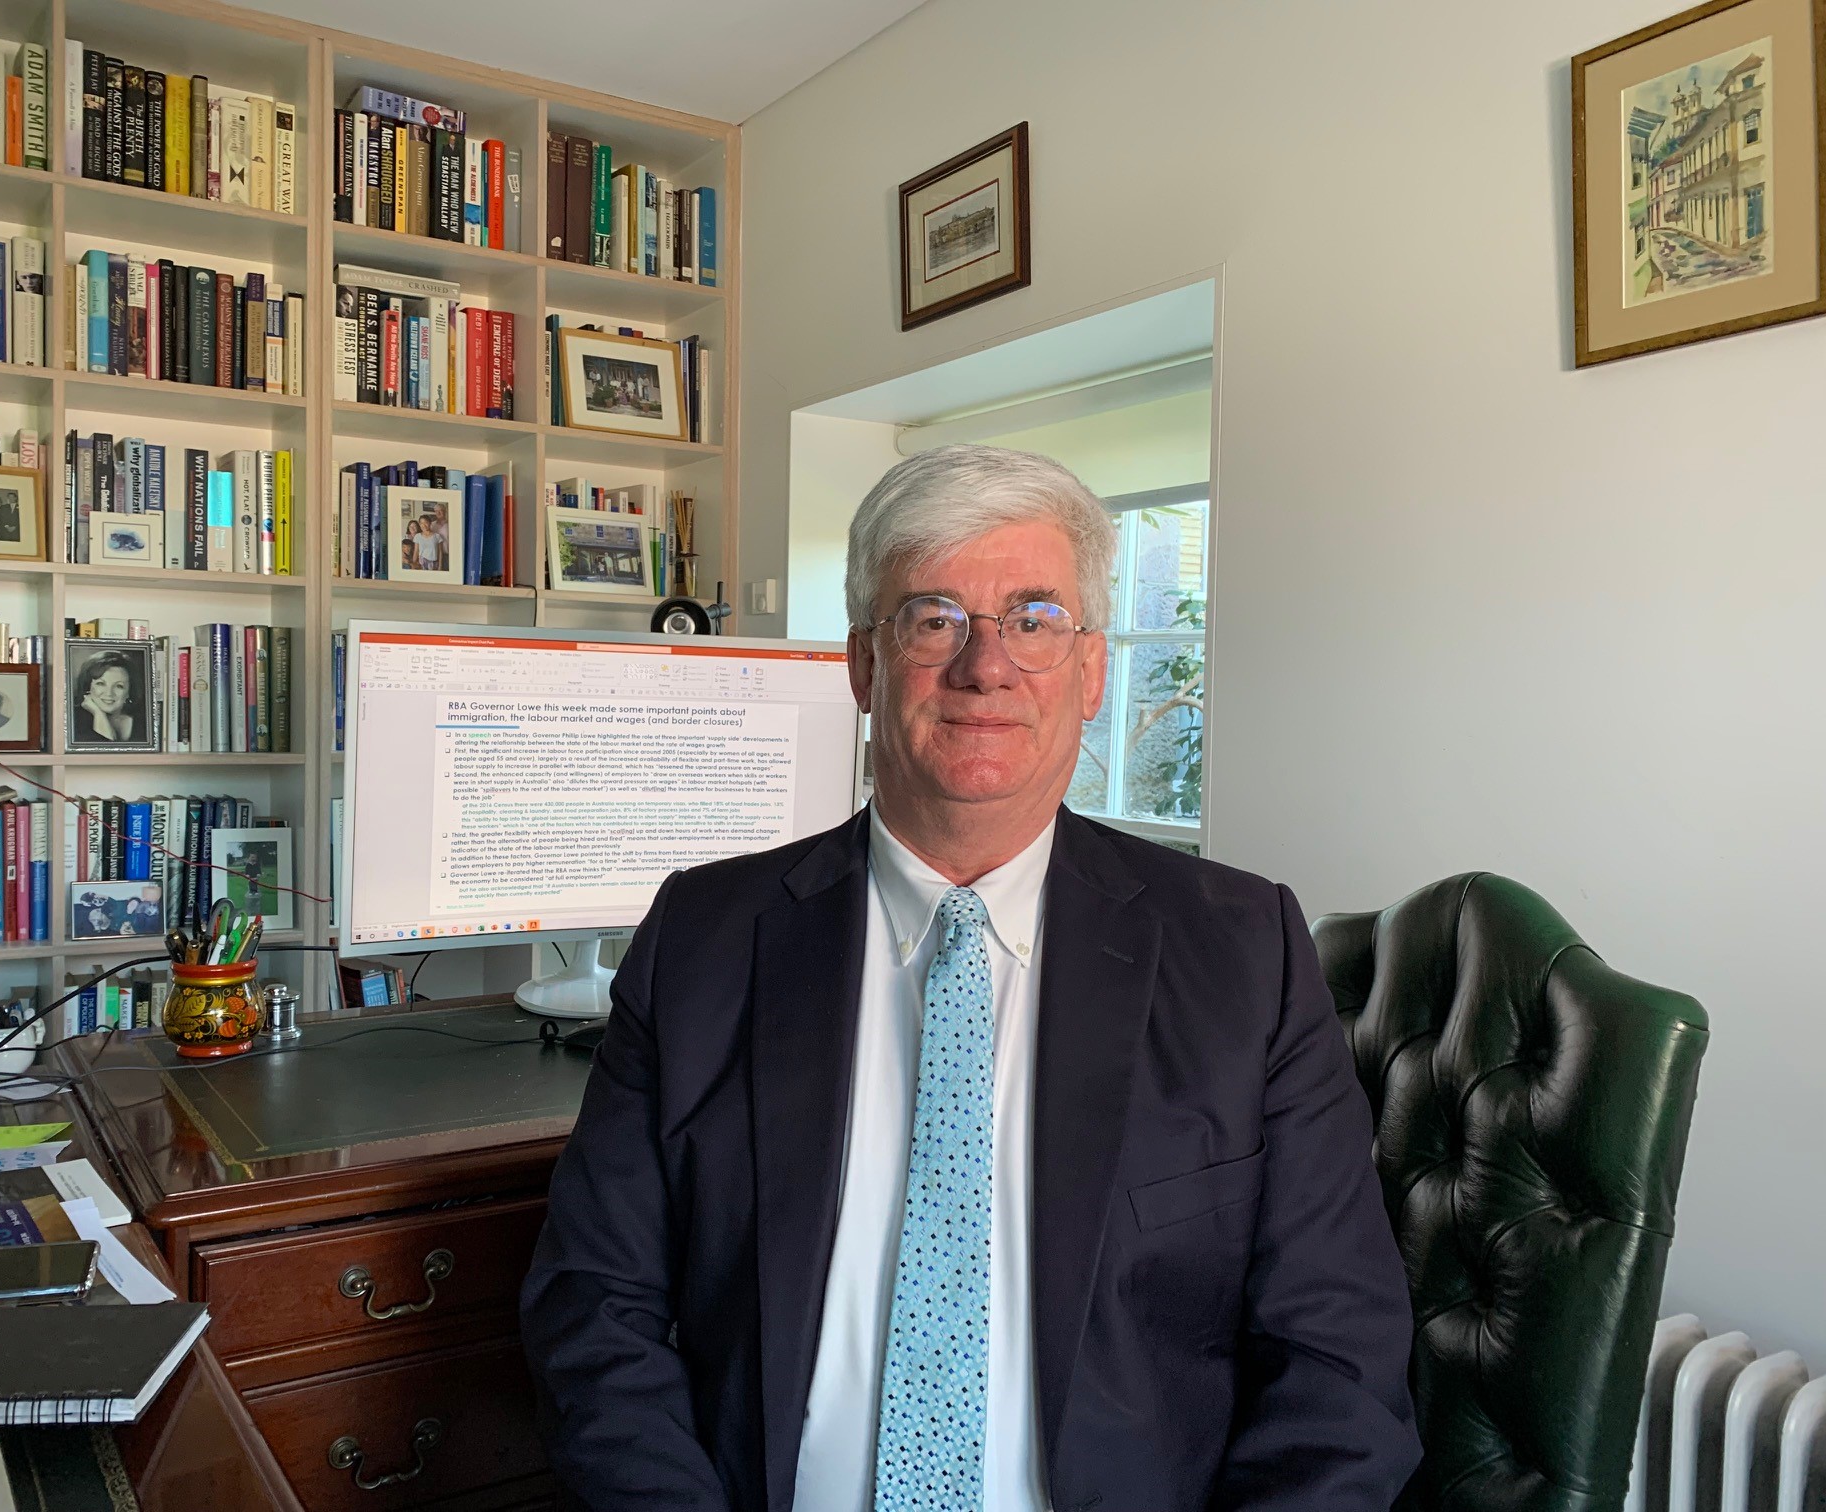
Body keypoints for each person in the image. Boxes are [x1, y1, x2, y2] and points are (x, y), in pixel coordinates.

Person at [521, 444, 1419, 1511]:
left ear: (1089, 671)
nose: (984, 666)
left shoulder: (1243, 951)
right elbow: (595, 1307)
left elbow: (1341, 1364)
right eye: (933, 617)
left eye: (1035, 619)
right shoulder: (705, 939)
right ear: (863, 663)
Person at [73, 652, 137, 744]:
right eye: (101, 684)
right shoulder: (73, 720)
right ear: (88, 687)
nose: (109, 693)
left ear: (129, 691)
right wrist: (98, 714)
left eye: (119, 686)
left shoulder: (143, 722)